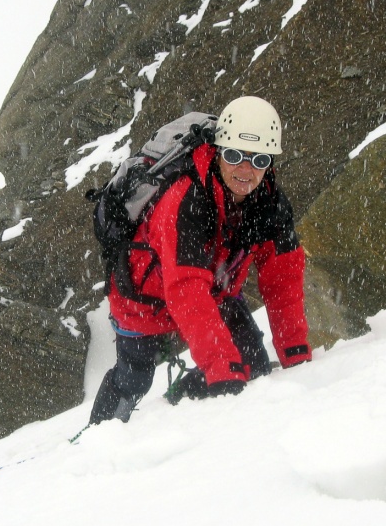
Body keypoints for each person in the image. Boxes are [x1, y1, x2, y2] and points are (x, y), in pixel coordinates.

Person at [89, 96, 312, 424]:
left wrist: (295, 353)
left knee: (251, 364)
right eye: (234, 155)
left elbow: (283, 281)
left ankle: (177, 408)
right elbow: (186, 288)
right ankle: (97, 439)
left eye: (259, 159)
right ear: (219, 151)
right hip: (145, 300)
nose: (245, 170)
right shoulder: (187, 199)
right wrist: (222, 371)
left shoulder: (269, 204)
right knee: (133, 379)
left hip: (212, 292)